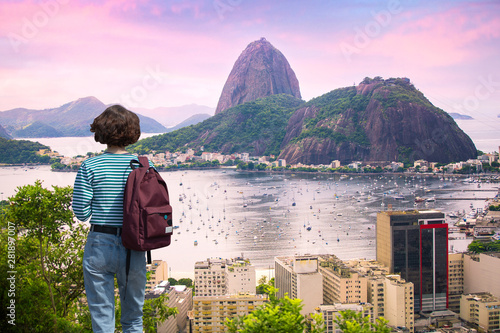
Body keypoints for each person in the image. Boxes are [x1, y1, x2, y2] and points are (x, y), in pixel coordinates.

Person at [73, 105, 148, 333]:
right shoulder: (144, 166)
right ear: (132, 132)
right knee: (133, 318)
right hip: (134, 245)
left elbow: (81, 212)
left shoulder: (90, 166)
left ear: (101, 131)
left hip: (100, 244)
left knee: (102, 319)